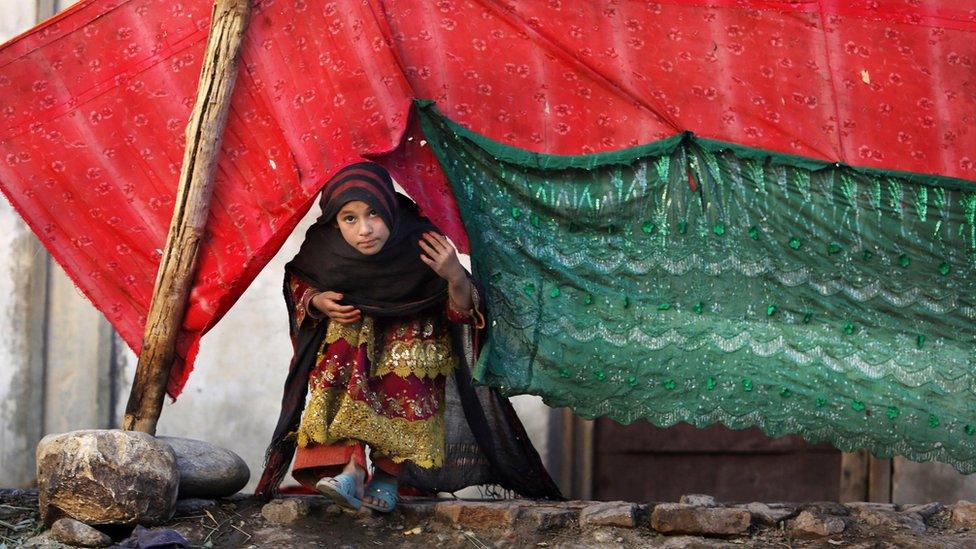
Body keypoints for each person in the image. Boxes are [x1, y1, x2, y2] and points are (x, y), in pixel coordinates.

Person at [255, 162, 561, 511]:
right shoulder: (323, 248)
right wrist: (317, 301)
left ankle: (386, 478)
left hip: (413, 342)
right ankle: (351, 471)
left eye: (374, 213)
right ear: (334, 221)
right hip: (352, 347)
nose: (365, 229)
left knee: (408, 386)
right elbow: (299, 281)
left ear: (389, 206)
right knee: (341, 368)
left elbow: (461, 313)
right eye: (349, 218)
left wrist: (455, 276)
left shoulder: (422, 240)